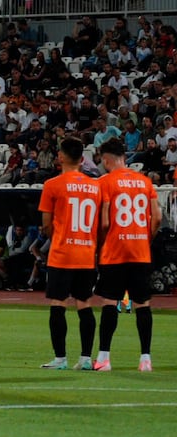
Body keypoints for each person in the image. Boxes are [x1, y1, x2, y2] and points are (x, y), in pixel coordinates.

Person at [93, 138, 161, 372]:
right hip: (140, 251)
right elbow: (158, 218)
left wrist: (100, 245)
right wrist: (145, 238)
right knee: (143, 304)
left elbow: (103, 222)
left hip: (115, 251)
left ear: (106, 159)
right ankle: (145, 359)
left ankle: (104, 359)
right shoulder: (145, 182)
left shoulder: (105, 183)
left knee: (110, 302)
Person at [38, 137, 100, 371]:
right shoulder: (95, 186)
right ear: (82, 159)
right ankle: (85, 358)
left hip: (63, 253)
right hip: (86, 254)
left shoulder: (52, 185)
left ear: (61, 157)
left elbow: (46, 224)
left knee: (58, 303)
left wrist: (61, 237)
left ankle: (60, 358)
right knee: (84, 304)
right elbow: (100, 222)